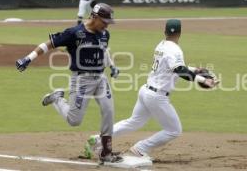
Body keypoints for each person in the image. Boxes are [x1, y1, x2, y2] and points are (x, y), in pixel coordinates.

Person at [83, 19, 219, 159]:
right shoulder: (176, 49)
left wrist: (195, 69)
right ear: (180, 33)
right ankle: (141, 148)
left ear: (165, 32)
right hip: (157, 97)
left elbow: (173, 66)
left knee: (133, 122)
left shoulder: (162, 45)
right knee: (174, 130)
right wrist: (203, 80)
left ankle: (98, 139)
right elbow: (178, 69)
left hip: (146, 91)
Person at [16, 3, 122, 164]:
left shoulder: (104, 34)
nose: (107, 25)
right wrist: (28, 58)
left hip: (100, 79)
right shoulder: (74, 33)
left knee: (109, 111)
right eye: (105, 21)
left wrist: (112, 65)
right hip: (82, 80)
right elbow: (49, 44)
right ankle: (57, 98)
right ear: (94, 17)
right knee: (74, 120)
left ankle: (106, 153)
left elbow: (104, 50)